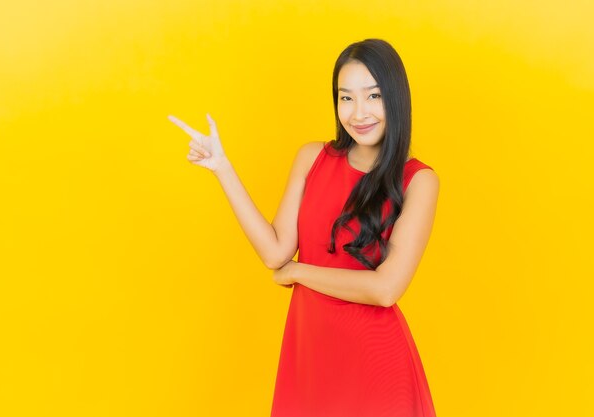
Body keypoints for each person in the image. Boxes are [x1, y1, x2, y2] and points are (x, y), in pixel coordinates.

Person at [168, 38, 439, 417]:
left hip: (376, 365)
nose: (358, 112)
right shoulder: (312, 158)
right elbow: (275, 251)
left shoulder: (418, 180)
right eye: (346, 98)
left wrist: (299, 271)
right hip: (309, 355)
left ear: (395, 98)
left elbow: (385, 289)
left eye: (373, 96)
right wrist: (222, 168)